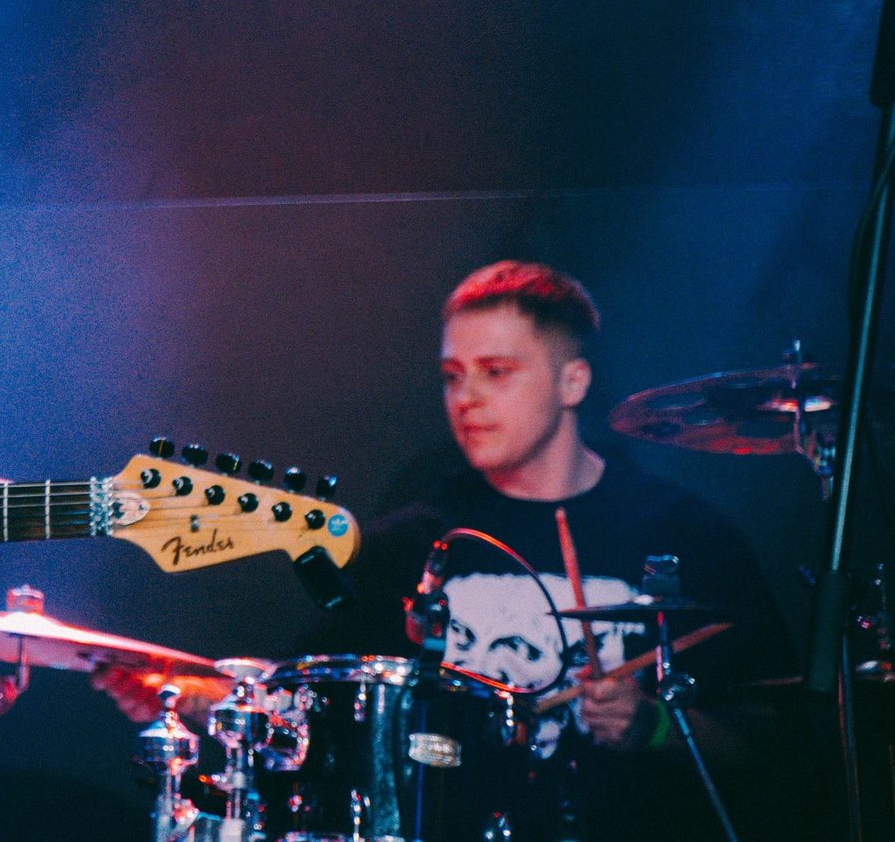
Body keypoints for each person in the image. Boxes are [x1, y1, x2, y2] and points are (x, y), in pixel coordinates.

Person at [96, 261, 796, 840]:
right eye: (453, 374)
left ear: (572, 381)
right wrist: (189, 698)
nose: (466, 397)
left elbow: (782, 742)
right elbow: (302, 700)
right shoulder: (412, 538)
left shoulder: (684, 533)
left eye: (496, 371)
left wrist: (655, 726)